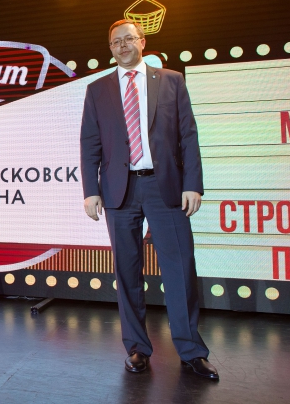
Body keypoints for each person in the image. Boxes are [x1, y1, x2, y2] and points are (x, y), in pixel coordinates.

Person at [79, 20, 219, 380]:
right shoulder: (97, 89)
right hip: (118, 189)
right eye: (115, 42)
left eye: (128, 39)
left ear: (142, 42)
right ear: (111, 49)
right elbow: (90, 143)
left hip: (164, 185)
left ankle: (191, 351)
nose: (122, 46)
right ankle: (137, 348)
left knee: (180, 268)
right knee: (127, 271)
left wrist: (193, 185)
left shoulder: (171, 81)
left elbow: (188, 136)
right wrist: (90, 191)